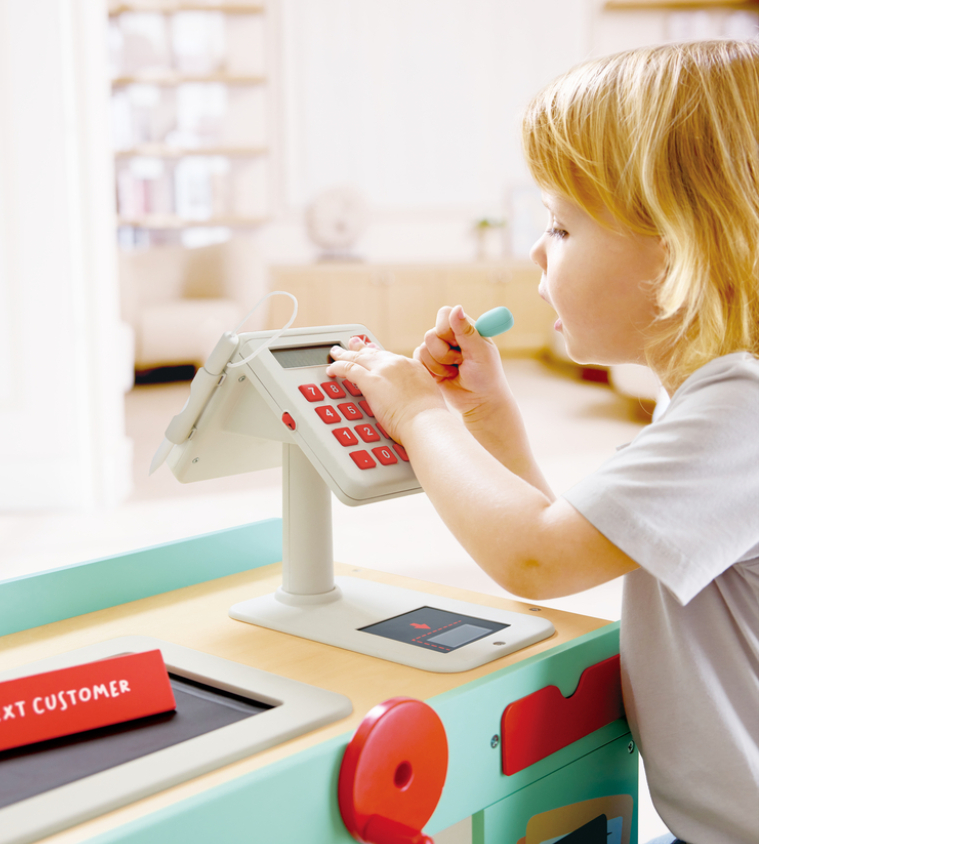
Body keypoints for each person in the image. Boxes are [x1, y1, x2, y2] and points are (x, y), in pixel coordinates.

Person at [325, 40, 759, 844]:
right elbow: (576, 538)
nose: (535, 250)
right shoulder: (723, 401)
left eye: (560, 226)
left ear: (676, 247)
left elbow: (536, 558)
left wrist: (419, 414)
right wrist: (489, 418)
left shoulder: (747, 412)